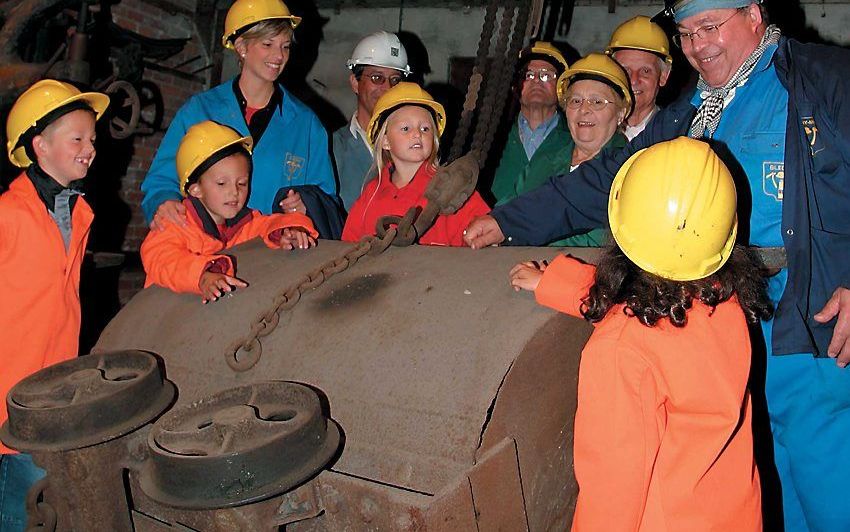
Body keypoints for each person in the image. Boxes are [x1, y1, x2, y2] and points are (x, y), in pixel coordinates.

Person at [466, 1, 850, 529]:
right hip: (723, 314)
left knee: (828, 488)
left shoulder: (825, 81)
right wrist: (509, 220)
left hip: (812, 325)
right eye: (687, 34)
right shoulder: (690, 109)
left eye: (710, 28)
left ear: (755, 14)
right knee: (759, 484)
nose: (698, 47)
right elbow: (608, 179)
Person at [509, 137, 772, 531]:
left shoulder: (620, 350)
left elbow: (612, 492)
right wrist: (558, 282)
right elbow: (660, 313)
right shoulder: (723, 303)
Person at [0, 79, 109, 529]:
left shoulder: (77, 213)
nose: (90, 149)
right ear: (40, 145)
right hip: (8, 402)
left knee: (41, 512)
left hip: (52, 398)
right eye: (78, 138)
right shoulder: (9, 214)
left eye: (93, 140)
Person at [141, 0, 336, 231]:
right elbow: (161, 181)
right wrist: (165, 201)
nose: (279, 55)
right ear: (242, 46)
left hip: (275, 256)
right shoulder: (200, 110)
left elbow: (327, 197)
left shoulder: (306, 125)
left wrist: (307, 206)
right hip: (206, 251)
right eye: (267, 44)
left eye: (285, 46)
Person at [141, 121, 317, 303]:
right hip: (164, 317)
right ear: (195, 190)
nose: (234, 192)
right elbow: (159, 257)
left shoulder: (241, 224)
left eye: (241, 183)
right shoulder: (176, 222)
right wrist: (201, 276)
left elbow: (265, 224)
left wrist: (289, 231)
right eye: (221, 183)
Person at [341, 82, 489, 246]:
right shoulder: (371, 195)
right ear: (385, 141)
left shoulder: (451, 186)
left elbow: (483, 233)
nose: (417, 134)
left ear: (434, 140)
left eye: (425, 129)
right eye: (405, 128)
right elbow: (348, 245)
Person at [552, 53, 630, 246]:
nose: (584, 109)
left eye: (597, 102)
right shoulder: (545, 159)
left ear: (621, 113)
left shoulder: (629, 170)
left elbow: (603, 241)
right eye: (576, 101)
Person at [333, 31, 411, 212]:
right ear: (355, 83)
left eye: (395, 80)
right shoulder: (332, 148)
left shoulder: (416, 144)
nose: (388, 88)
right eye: (377, 78)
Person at [489, 41, 571, 206]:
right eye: (528, 75)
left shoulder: (575, 140)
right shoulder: (492, 140)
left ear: (562, 87)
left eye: (546, 75)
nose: (537, 81)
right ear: (514, 86)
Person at [605, 16, 673, 140]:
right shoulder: (592, 130)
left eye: (645, 71)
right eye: (625, 70)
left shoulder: (676, 133)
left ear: (664, 76)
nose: (633, 80)